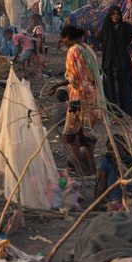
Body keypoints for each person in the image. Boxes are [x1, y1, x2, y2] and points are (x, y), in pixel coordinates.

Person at [49, 24, 104, 176]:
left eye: (64, 38)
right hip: (91, 95)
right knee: (83, 134)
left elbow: (75, 78)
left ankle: (81, 168)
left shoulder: (73, 51)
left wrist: (60, 87)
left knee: (70, 135)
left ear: (69, 38)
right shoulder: (87, 48)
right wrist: (59, 85)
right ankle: (91, 168)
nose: (63, 41)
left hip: (79, 97)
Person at [99, 6, 132, 120]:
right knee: (110, 89)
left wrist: (131, 47)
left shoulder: (126, 27)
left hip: (123, 63)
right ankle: (115, 114)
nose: (115, 16)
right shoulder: (106, 28)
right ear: (110, 16)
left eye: (117, 14)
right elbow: (100, 42)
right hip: (109, 64)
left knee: (126, 89)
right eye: (113, 14)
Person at [95, 134, 132, 216]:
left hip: (129, 195)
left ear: (123, 148)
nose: (114, 152)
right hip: (119, 197)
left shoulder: (130, 160)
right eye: (110, 149)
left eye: (117, 149)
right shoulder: (107, 160)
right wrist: (96, 204)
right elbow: (101, 184)